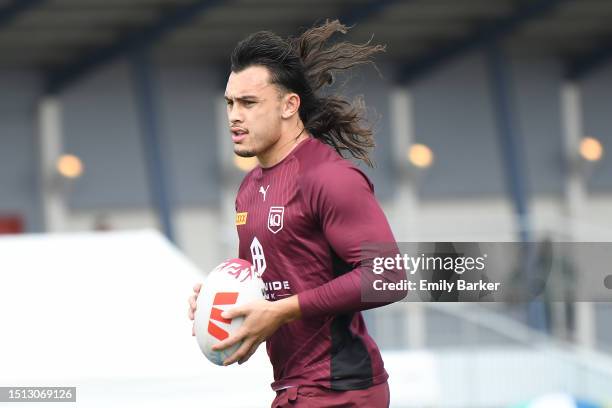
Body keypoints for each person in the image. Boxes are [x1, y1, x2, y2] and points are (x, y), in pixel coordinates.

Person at [188, 20, 406, 407]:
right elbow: (270, 279)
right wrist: (221, 299)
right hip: (296, 389)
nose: (234, 116)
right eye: (230, 103)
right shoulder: (249, 188)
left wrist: (283, 311)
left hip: (341, 391)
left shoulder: (329, 178)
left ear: (290, 105)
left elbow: (388, 276)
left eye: (249, 103)